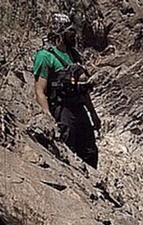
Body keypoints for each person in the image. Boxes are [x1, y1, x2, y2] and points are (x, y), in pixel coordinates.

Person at [32, 13, 100, 168]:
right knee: (69, 147)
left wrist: (93, 113)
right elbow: (40, 91)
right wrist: (47, 116)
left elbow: (82, 89)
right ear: (60, 32)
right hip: (61, 108)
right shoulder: (45, 56)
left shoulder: (73, 54)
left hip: (78, 107)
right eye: (70, 32)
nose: (73, 35)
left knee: (90, 151)